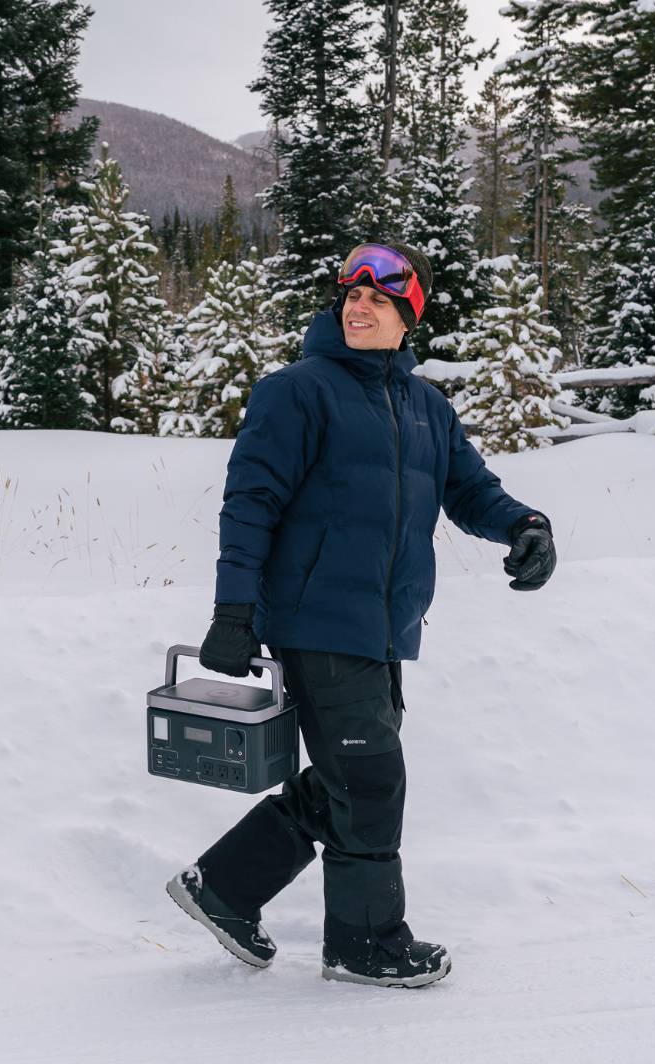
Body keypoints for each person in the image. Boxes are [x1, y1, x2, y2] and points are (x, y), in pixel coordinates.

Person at [165, 241, 556, 988]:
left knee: (350, 778)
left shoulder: (426, 406)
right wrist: (233, 612)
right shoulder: (298, 391)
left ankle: (226, 887)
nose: (359, 304)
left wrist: (525, 525)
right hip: (315, 621)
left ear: (410, 313)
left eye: (379, 297)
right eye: (350, 292)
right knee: (372, 781)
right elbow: (251, 505)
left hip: (384, 629)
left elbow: (470, 490)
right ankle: (364, 942)